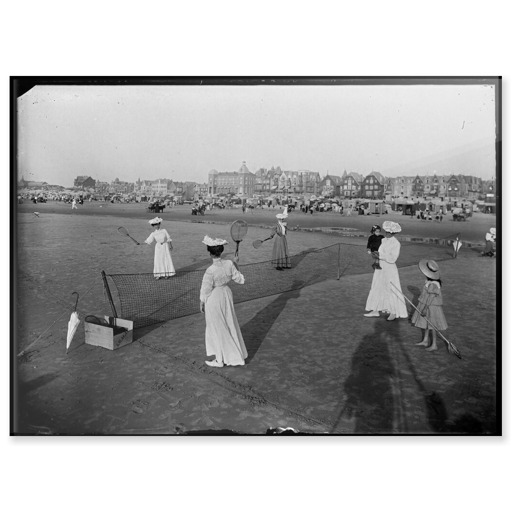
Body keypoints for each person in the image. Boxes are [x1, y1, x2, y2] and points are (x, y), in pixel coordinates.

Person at [199, 235, 247, 367]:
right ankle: (230, 357)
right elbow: (239, 279)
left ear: (210, 253)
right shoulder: (229, 263)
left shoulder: (210, 270)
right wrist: (236, 263)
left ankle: (220, 360)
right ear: (221, 251)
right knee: (229, 323)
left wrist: (202, 302)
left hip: (214, 299)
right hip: (226, 295)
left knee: (216, 327)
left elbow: (206, 290)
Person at [364, 220, 408, 321]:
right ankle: (375, 310)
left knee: (391, 288)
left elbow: (393, 258)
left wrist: (381, 256)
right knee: (377, 286)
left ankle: (393, 312)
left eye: (390, 232)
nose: (387, 234)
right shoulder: (383, 240)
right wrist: (376, 255)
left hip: (389, 268)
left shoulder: (396, 243)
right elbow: (379, 251)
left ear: (393, 233)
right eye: (387, 232)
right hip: (381, 266)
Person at [411, 259, 448, 352]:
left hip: (431, 306)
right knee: (426, 323)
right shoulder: (429, 281)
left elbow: (431, 298)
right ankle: (425, 340)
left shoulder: (434, 284)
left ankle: (434, 344)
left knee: (432, 325)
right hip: (426, 304)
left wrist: (424, 309)